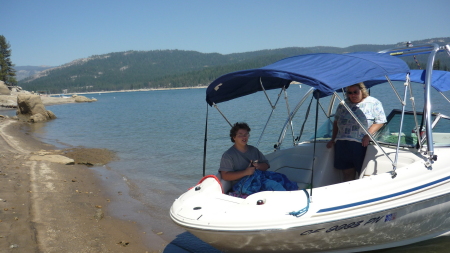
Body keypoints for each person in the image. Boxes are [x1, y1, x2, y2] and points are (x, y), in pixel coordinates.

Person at [326, 82, 386, 181]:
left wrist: (368, 135)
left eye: (355, 92)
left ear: (362, 91)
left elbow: (380, 122)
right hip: (342, 142)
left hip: (360, 143)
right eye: (349, 93)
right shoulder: (343, 104)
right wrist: (333, 139)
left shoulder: (373, 102)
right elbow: (336, 122)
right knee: (347, 172)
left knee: (362, 172)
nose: (352, 95)